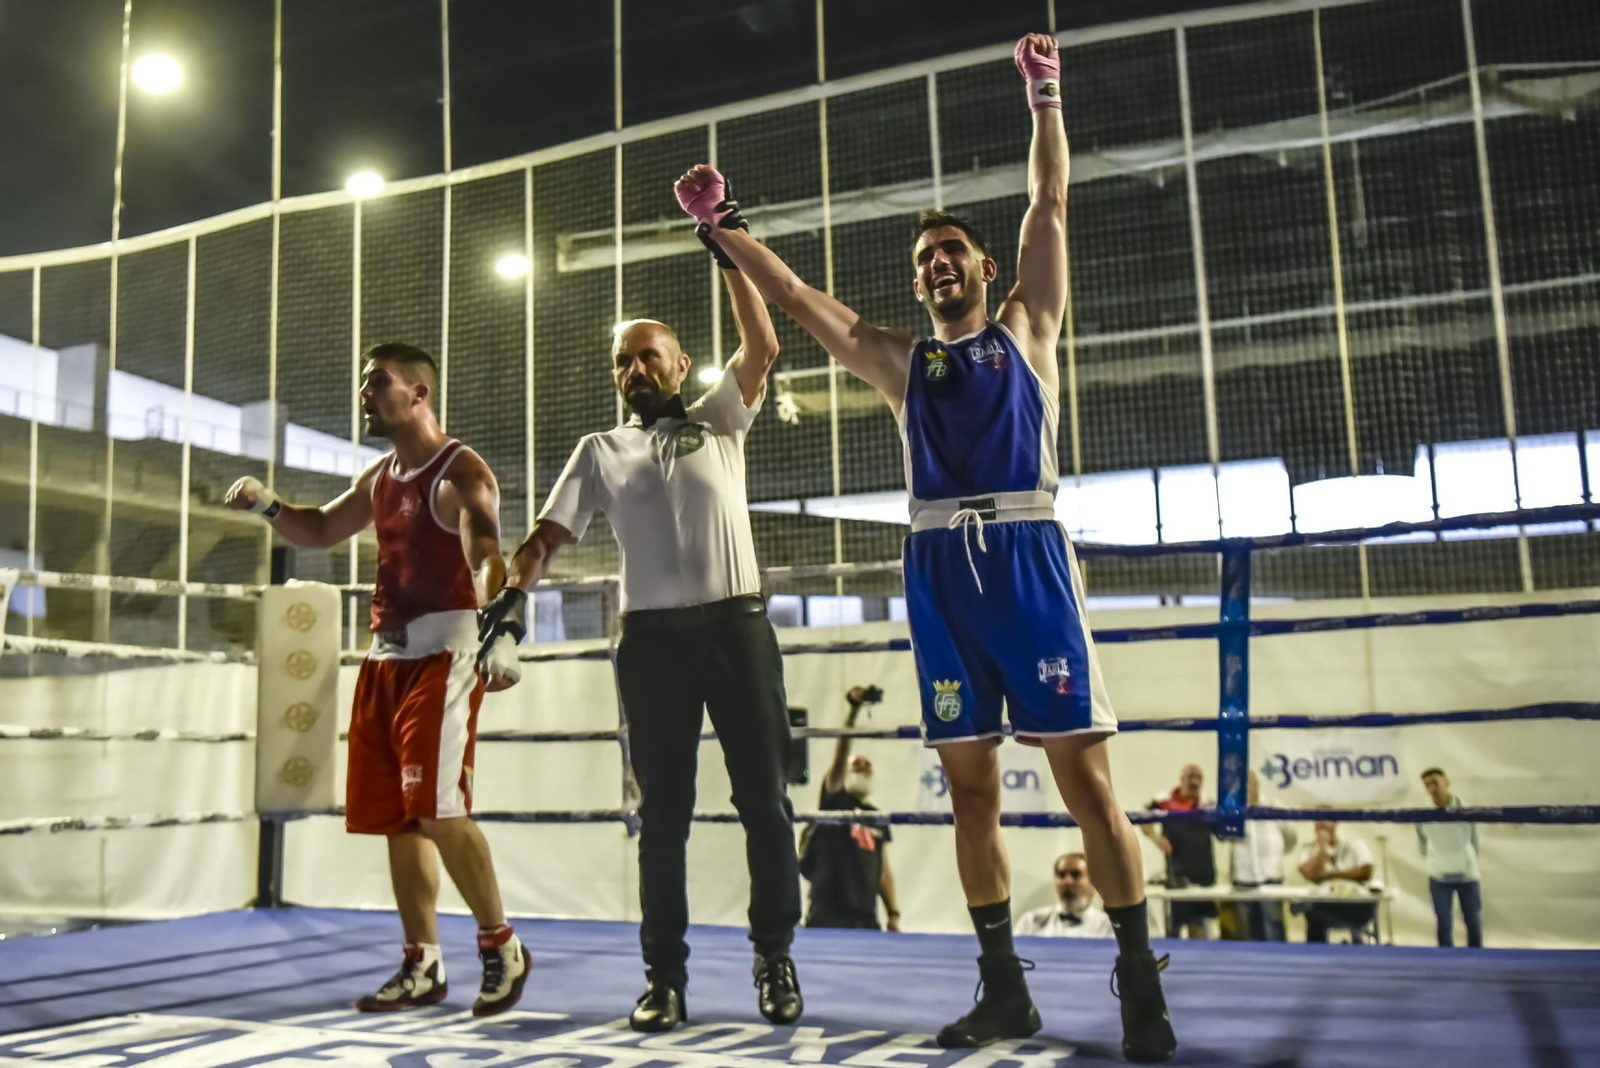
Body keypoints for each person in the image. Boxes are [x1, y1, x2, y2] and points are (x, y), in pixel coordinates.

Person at [674, 33, 1175, 1063]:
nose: (938, 262)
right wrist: (724, 230)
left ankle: (1138, 988)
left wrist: (1044, 98)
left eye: (952, 251)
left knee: (1088, 788)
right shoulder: (901, 363)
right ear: (916, 286)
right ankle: (1003, 991)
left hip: (1028, 557)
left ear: (982, 268)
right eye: (922, 259)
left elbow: (1048, 207)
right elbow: (803, 301)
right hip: (937, 569)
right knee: (971, 792)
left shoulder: (1029, 329)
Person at [476, 220, 799, 1034]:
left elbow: (760, 341)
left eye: (648, 354)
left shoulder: (721, 416)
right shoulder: (599, 449)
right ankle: (665, 978)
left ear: (680, 365)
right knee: (664, 817)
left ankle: (775, 959)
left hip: (737, 628)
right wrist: (511, 605)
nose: (633, 368)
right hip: (651, 643)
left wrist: (726, 247)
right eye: (622, 359)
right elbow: (545, 539)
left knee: (765, 801)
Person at [224, 342, 529, 1016]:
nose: (364, 392)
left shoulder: (460, 471)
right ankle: (421, 962)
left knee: (439, 809)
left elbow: (485, 552)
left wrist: (499, 628)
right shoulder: (381, 477)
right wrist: (270, 506)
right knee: (400, 819)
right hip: (383, 659)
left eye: (377, 381)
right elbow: (322, 529)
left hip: (443, 655)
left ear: (418, 393)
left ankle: (499, 943)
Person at [799, 685, 901, 931]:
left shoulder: (877, 817)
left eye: (866, 765)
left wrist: (893, 912)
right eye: (856, 764)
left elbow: (883, 867)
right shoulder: (834, 802)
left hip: (866, 917)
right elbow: (841, 751)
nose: (862, 765)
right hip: (827, 915)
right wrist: (853, 711)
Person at [1146, 764, 1217, 940]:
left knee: (1200, 924)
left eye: (1198, 777)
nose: (1194, 781)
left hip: (1204, 872)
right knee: (1176, 924)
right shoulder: (1164, 800)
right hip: (1177, 872)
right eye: (1191, 776)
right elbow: (1143, 818)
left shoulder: (1208, 803)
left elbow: (1223, 831)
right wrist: (1156, 839)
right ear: (1182, 778)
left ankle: (1201, 963)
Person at [1417, 767, 1483, 948]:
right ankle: (1446, 964)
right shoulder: (1422, 813)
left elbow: (1473, 837)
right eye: (1427, 785)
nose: (1432, 788)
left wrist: (1468, 858)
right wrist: (1434, 858)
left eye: (1435, 782)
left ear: (1446, 781)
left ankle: (1477, 960)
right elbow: (1421, 841)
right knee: (1444, 923)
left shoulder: (1466, 809)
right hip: (1438, 874)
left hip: (1468, 874)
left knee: (1473, 921)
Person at [1229, 771, 1295, 941]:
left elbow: (1291, 838)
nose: (1245, 787)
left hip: (1271, 877)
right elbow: (1223, 836)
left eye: (1249, 782)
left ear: (1256, 784)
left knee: (1274, 928)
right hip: (1243, 879)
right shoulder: (1233, 811)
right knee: (1246, 933)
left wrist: (1276, 857)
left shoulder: (1274, 806)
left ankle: (1279, 965)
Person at [1298, 820, 1379, 944]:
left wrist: (1330, 875)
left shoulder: (1355, 844)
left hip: (1355, 905)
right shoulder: (1307, 848)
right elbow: (1312, 876)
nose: (1322, 824)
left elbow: (1366, 872)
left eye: (1326, 819)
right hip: (1323, 906)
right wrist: (1322, 849)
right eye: (1318, 820)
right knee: (1310, 911)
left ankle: (1360, 948)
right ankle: (1316, 955)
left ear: (1336, 822)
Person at [1014, 852, 1114, 938]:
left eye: (1076, 874)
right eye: (1061, 875)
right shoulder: (1031, 921)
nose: (1067, 881)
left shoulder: (1108, 927)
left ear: (1093, 882)